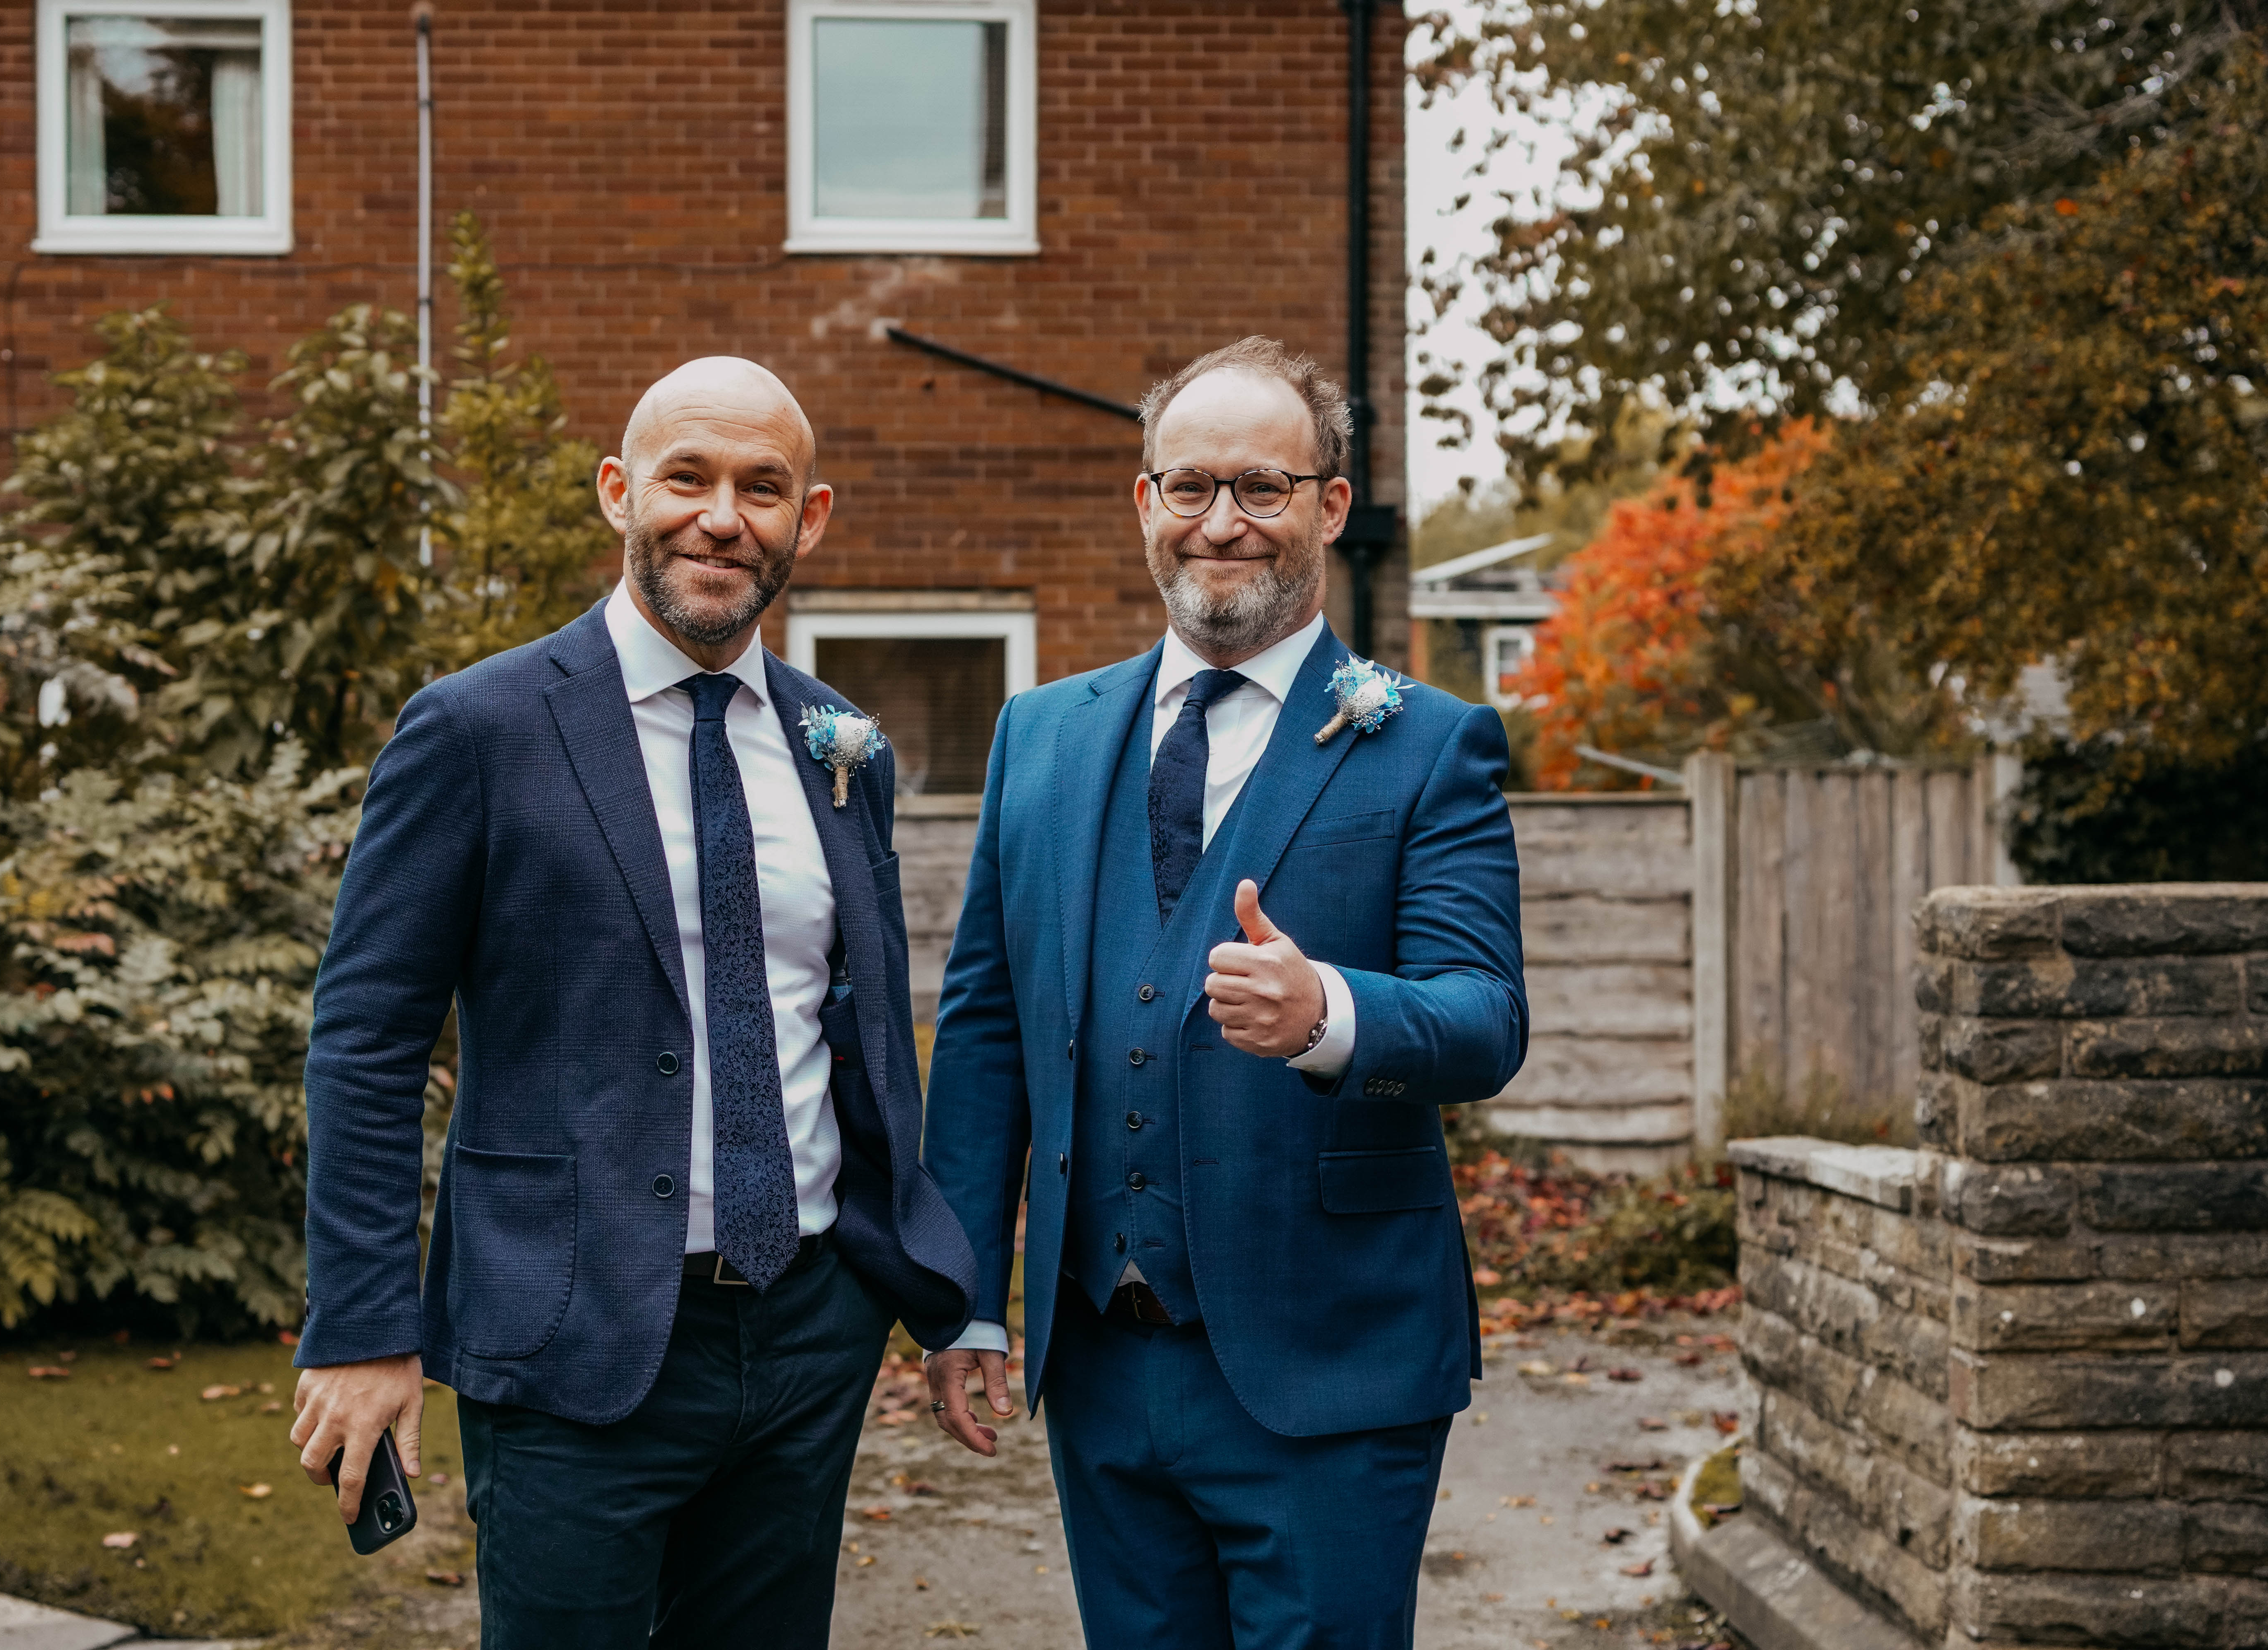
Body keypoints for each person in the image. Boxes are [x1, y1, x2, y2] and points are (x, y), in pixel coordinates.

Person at [287, 356, 975, 1648]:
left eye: (761, 488)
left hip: (807, 1334)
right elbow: (367, 1044)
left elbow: (868, 1036)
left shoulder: (845, 749)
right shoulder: (477, 729)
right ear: (619, 492)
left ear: (807, 519)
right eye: (688, 478)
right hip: (570, 1339)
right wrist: (363, 1330)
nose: (723, 517)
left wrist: (922, 1281)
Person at [919, 336, 1528, 1648]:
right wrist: (966, 1296)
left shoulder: (1427, 743)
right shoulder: (1042, 734)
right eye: (1190, 487)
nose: (1223, 523)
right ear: (1145, 503)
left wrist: (1330, 1019)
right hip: (1100, 1367)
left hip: (1332, 1370)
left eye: (1261, 487)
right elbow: (983, 1031)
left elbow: (1486, 1018)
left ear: (1330, 507)